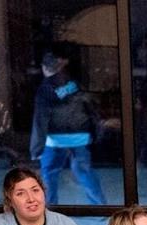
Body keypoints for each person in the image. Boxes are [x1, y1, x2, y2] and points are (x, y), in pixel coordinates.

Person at [30, 52, 106, 205]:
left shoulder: (44, 90)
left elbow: (40, 119)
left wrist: (36, 148)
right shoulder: (75, 84)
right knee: (84, 171)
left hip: (55, 139)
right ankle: (100, 206)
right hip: (80, 136)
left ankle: (50, 208)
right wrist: (95, 132)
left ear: (44, 68)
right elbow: (90, 108)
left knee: (49, 174)